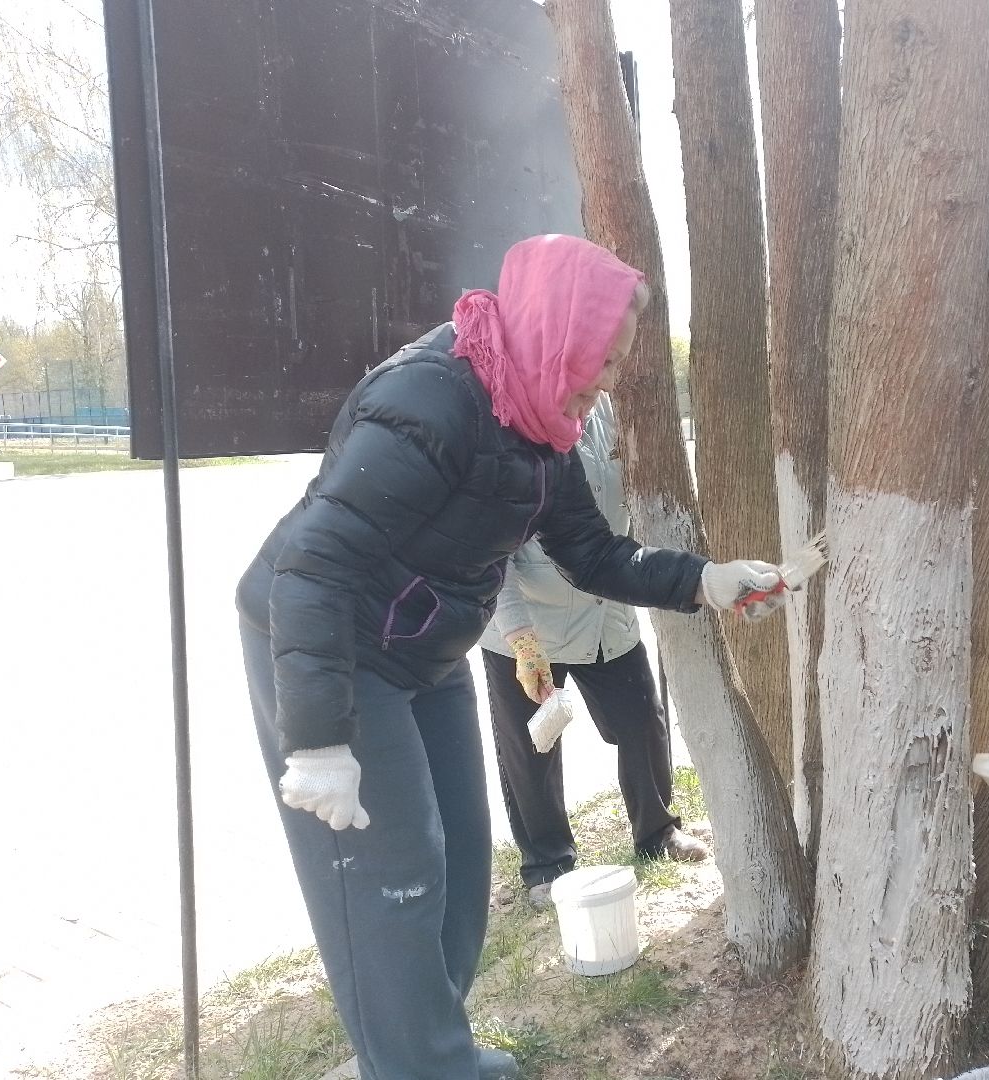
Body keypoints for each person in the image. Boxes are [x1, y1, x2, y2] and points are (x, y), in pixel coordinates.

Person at [235, 234, 786, 1080]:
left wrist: (707, 581)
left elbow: (593, 554)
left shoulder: (541, 418)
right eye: (603, 358)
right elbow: (314, 564)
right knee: (394, 879)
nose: (608, 380)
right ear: (558, 330)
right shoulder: (430, 400)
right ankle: (420, 1066)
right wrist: (316, 738)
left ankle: (425, 1053)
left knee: (456, 863)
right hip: (329, 644)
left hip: (423, 647)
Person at [478, 391, 708, 908]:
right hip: (526, 620)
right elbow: (489, 552)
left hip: (606, 608)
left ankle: (657, 832)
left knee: (642, 721)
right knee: (530, 746)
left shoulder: (612, 405)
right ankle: (547, 863)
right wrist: (520, 638)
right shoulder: (513, 412)